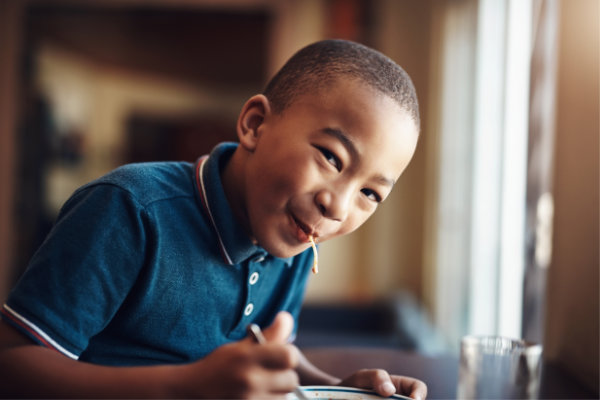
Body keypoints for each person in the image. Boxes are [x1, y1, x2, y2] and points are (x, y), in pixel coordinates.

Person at [0, 39, 425, 399]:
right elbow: (12, 364)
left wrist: (336, 387)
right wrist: (187, 386)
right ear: (255, 125)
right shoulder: (130, 209)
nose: (338, 206)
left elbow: (262, 359)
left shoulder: (294, 240)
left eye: (370, 193)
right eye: (332, 157)